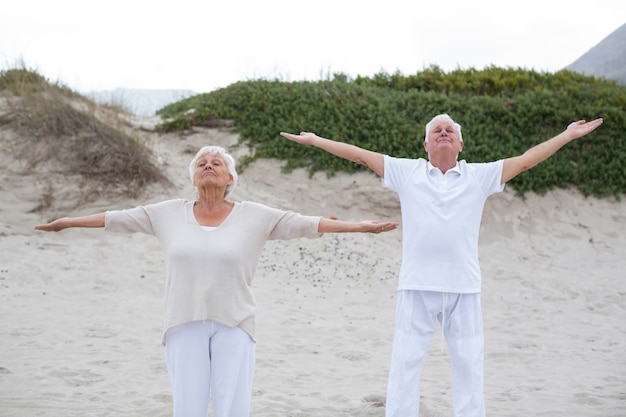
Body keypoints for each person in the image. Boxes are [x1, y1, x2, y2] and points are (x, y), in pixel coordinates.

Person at [35, 145, 398, 417]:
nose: (208, 166)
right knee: (188, 409)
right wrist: (67, 220)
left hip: (236, 324)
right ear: (194, 177)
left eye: (217, 163)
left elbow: (307, 223)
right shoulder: (166, 214)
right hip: (183, 322)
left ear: (230, 178)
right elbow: (115, 218)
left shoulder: (255, 216)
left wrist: (359, 226)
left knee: (232, 408)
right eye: (201, 164)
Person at [280, 114, 603, 417]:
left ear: (461, 145)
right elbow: (361, 155)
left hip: (463, 286)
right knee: (405, 362)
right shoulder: (408, 172)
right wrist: (317, 140)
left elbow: (527, 160)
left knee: (469, 364)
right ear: (426, 145)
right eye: (437, 130)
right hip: (416, 285)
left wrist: (566, 135)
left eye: (450, 130)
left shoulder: (479, 175)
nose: (444, 133)